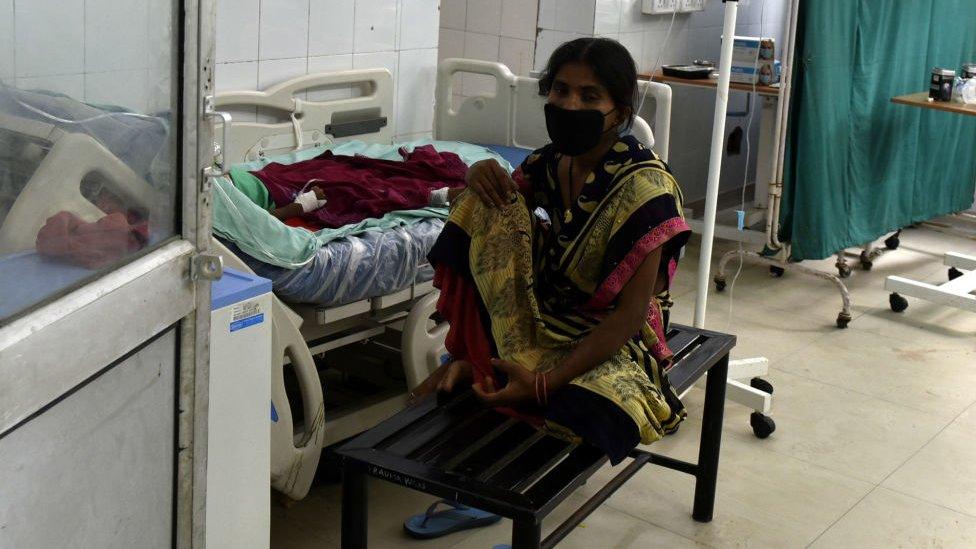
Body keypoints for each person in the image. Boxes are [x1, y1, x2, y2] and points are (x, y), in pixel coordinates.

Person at [405, 36, 691, 539]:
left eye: (589, 96)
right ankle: (475, 357)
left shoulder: (646, 190)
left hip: (613, 335)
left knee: (592, 411)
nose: (569, 105)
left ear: (619, 110)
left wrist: (544, 381)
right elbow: (493, 220)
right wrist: (479, 173)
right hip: (543, 314)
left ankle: (510, 484)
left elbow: (627, 318)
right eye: (560, 90)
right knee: (480, 203)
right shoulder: (546, 164)